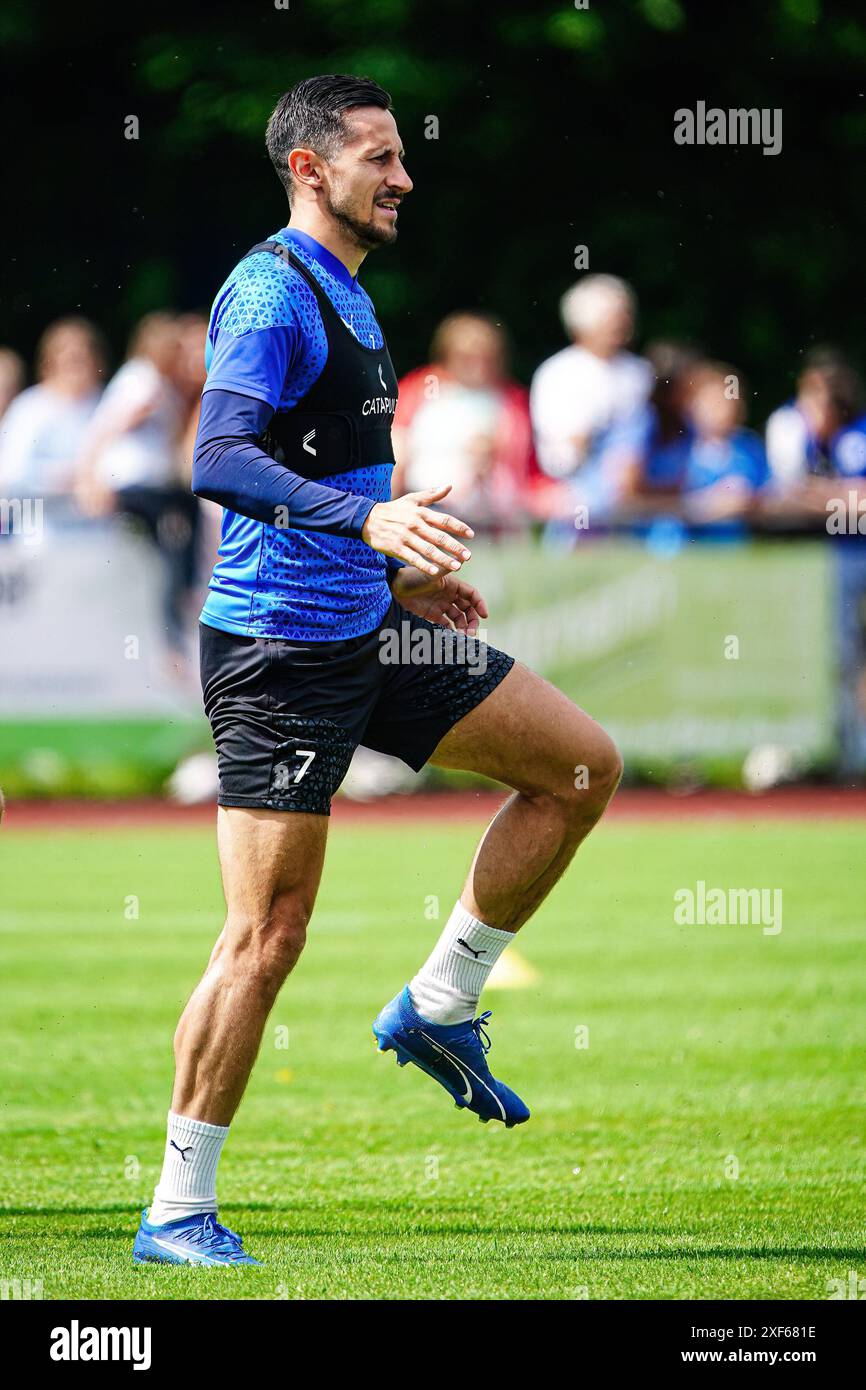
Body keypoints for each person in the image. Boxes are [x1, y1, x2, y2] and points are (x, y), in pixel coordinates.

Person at [132, 75, 621, 1269]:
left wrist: (395, 573)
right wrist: (370, 530)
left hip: (367, 624)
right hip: (279, 657)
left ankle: (440, 1004)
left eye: (401, 156)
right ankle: (175, 1210)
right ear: (308, 168)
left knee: (576, 764)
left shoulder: (346, 290)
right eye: (377, 158)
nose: (403, 175)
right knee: (267, 936)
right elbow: (221, 457)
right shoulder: (268, 290)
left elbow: (327, 467)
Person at [75, 312, 201, 667]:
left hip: (140, 483)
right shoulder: (146, 384)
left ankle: (180, 609)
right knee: (175, 544)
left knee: (169, 549)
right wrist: (90, 476)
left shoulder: (146, 381)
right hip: (136, 483)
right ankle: (179, 618)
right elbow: (107, 429)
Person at [391, 312, 536, 532]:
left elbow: (523, 461)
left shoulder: (512, 399)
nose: (478, 366)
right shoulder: (420, 389)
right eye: (467, 357)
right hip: (428, 503)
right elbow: (396, 444)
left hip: (494, 509)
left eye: (486, 357)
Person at [529, 273, 652, 530]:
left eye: (624, 314)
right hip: (577, 495)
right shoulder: (558, 373)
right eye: (613, 316)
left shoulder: (638, 373)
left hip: (635, 494)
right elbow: (557, 457)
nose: (622, 322)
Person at [0, 319, 105, 499]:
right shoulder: (30, 407)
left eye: (82, 358)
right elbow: (11, 471)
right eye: (70, 359)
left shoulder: (106, 403)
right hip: (43, 522)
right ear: (51, 361)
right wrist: (70, 477)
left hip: (101, 524)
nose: (76, 366)